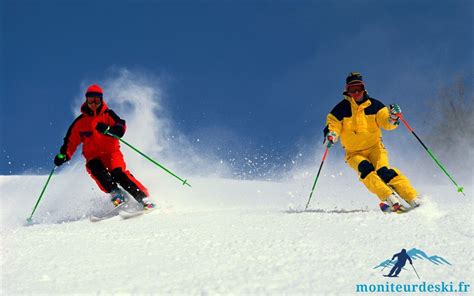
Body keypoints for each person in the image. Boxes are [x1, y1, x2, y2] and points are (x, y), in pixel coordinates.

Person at [323, 72, 420, 212]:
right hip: (354, 153)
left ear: (364, 88)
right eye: (352, 89)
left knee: (384, 172)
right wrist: (331, 135)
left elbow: (386, 123)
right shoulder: (340, 110)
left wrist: (393, 118)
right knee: (366, 170)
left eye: (359, 88)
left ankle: (412, 197)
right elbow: (333, 126)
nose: (356, 92)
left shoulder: (375, 105)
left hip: (375, 148)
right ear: (347, 90)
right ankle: (389, 197)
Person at [54, 84, 155, 210]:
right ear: (86, 100)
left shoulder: (108, 115)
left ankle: (143, 198)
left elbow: (121, 126)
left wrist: (109, 129)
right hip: (93, 156)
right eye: (90, 100)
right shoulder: (80, 122)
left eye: (96, 100)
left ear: (101, 100)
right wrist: (64, 155)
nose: (93, 103)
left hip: (111, 152)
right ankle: (116, 194)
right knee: (96, 170)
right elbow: (70, 141)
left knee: (118, 174)